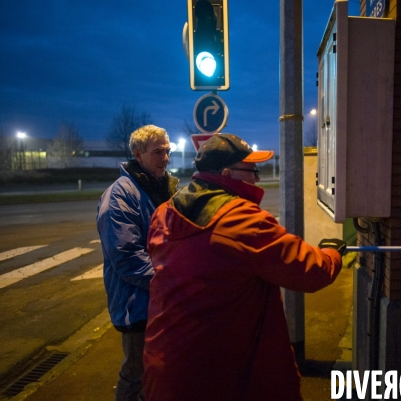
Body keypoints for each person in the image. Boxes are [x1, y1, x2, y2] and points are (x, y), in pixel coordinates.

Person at [143, 133, 346, 401]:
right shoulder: (241, 220)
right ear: (228, 173)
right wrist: (332, 252)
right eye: (253, 171)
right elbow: (310, 271)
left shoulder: (165, 212)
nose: (257, 179)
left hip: (164, 369)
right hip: (218, 377)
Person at [97, 125, 179, 401]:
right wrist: (173, 282)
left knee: (159, 372)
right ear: (137, 154)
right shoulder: (120, 196)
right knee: (137, 374)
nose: (165, 158)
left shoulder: (163, 187)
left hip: (161, 298)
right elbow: (128, 258)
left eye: (167, 151)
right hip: (137, 304)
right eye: (158, 152)